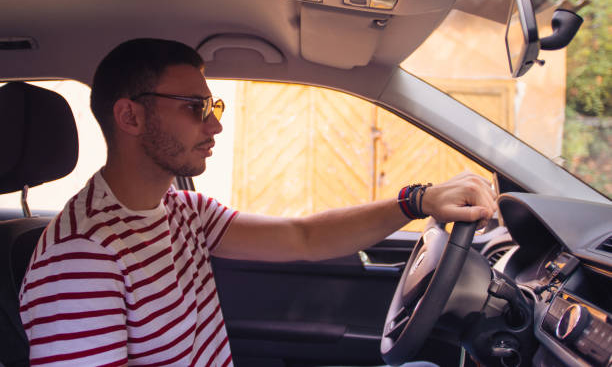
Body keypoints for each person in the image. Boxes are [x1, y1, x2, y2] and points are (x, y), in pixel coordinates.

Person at [19, 38, 497, 366]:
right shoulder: (82, 256)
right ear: (130, 116)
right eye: (195, 108)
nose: (215, 126)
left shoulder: (182, 211)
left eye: (214, 108)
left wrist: (417, 201)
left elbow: (305, 237)